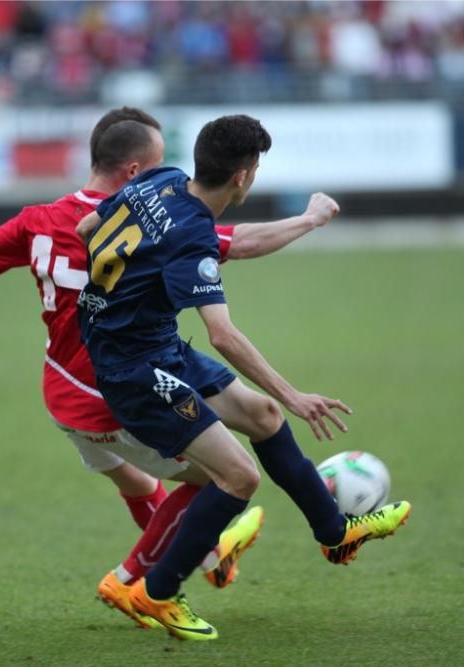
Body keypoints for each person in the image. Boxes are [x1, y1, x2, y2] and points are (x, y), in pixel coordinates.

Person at [0, 108, 338, 629]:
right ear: (136, 170)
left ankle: (205, 554)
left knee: (142, 488)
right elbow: (238, 244)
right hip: (110, 391)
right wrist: (310, 220)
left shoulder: (39, 219)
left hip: (59, 388)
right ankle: (139, 576)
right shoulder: (159, 221)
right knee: (223, 478)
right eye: (161, 163)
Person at [76, 114, 412, 641]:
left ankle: (335, 532)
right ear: (244, 176)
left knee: (263, 416)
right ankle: (157, 593)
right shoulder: (190, 238)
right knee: (239, 477)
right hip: (136, 371)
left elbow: (87, 228)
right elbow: (224, 337)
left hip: (154, 347)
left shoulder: (158, 180)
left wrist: (308, 220)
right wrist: (295, 393)